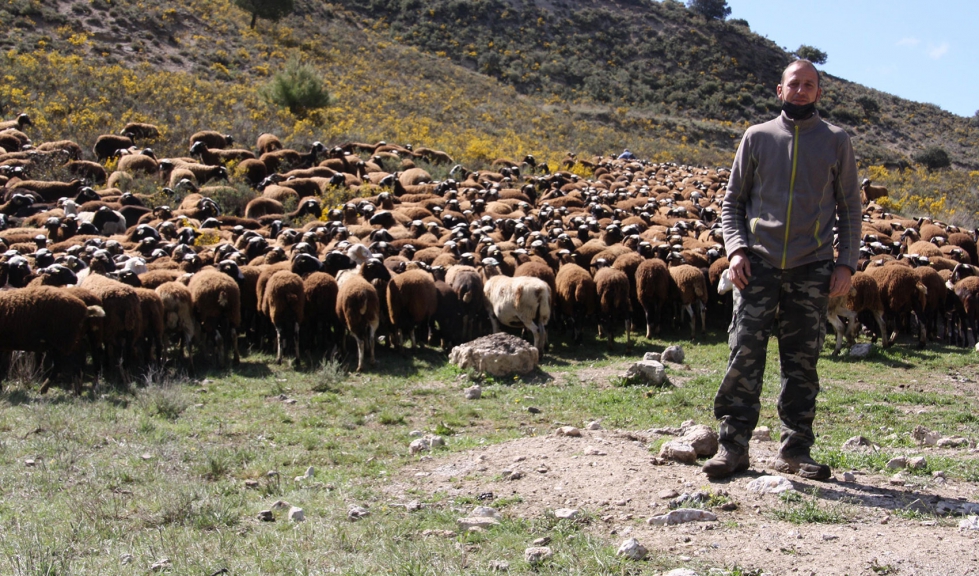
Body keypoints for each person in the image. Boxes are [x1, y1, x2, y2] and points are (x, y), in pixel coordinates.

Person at [702, 59, 861, 481]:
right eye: (795, 84)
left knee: (803, 362)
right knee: (743, 356)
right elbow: (732, 203)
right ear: (780, 89)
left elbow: (849, 209)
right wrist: (736, 251)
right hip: (758, 264)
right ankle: (732, 447)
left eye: (810, 85)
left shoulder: (836, 141)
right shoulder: (757, 138)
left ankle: (795, 450)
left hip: (812, 268)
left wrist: (845, 262)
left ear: (819, 93)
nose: (802, 90)